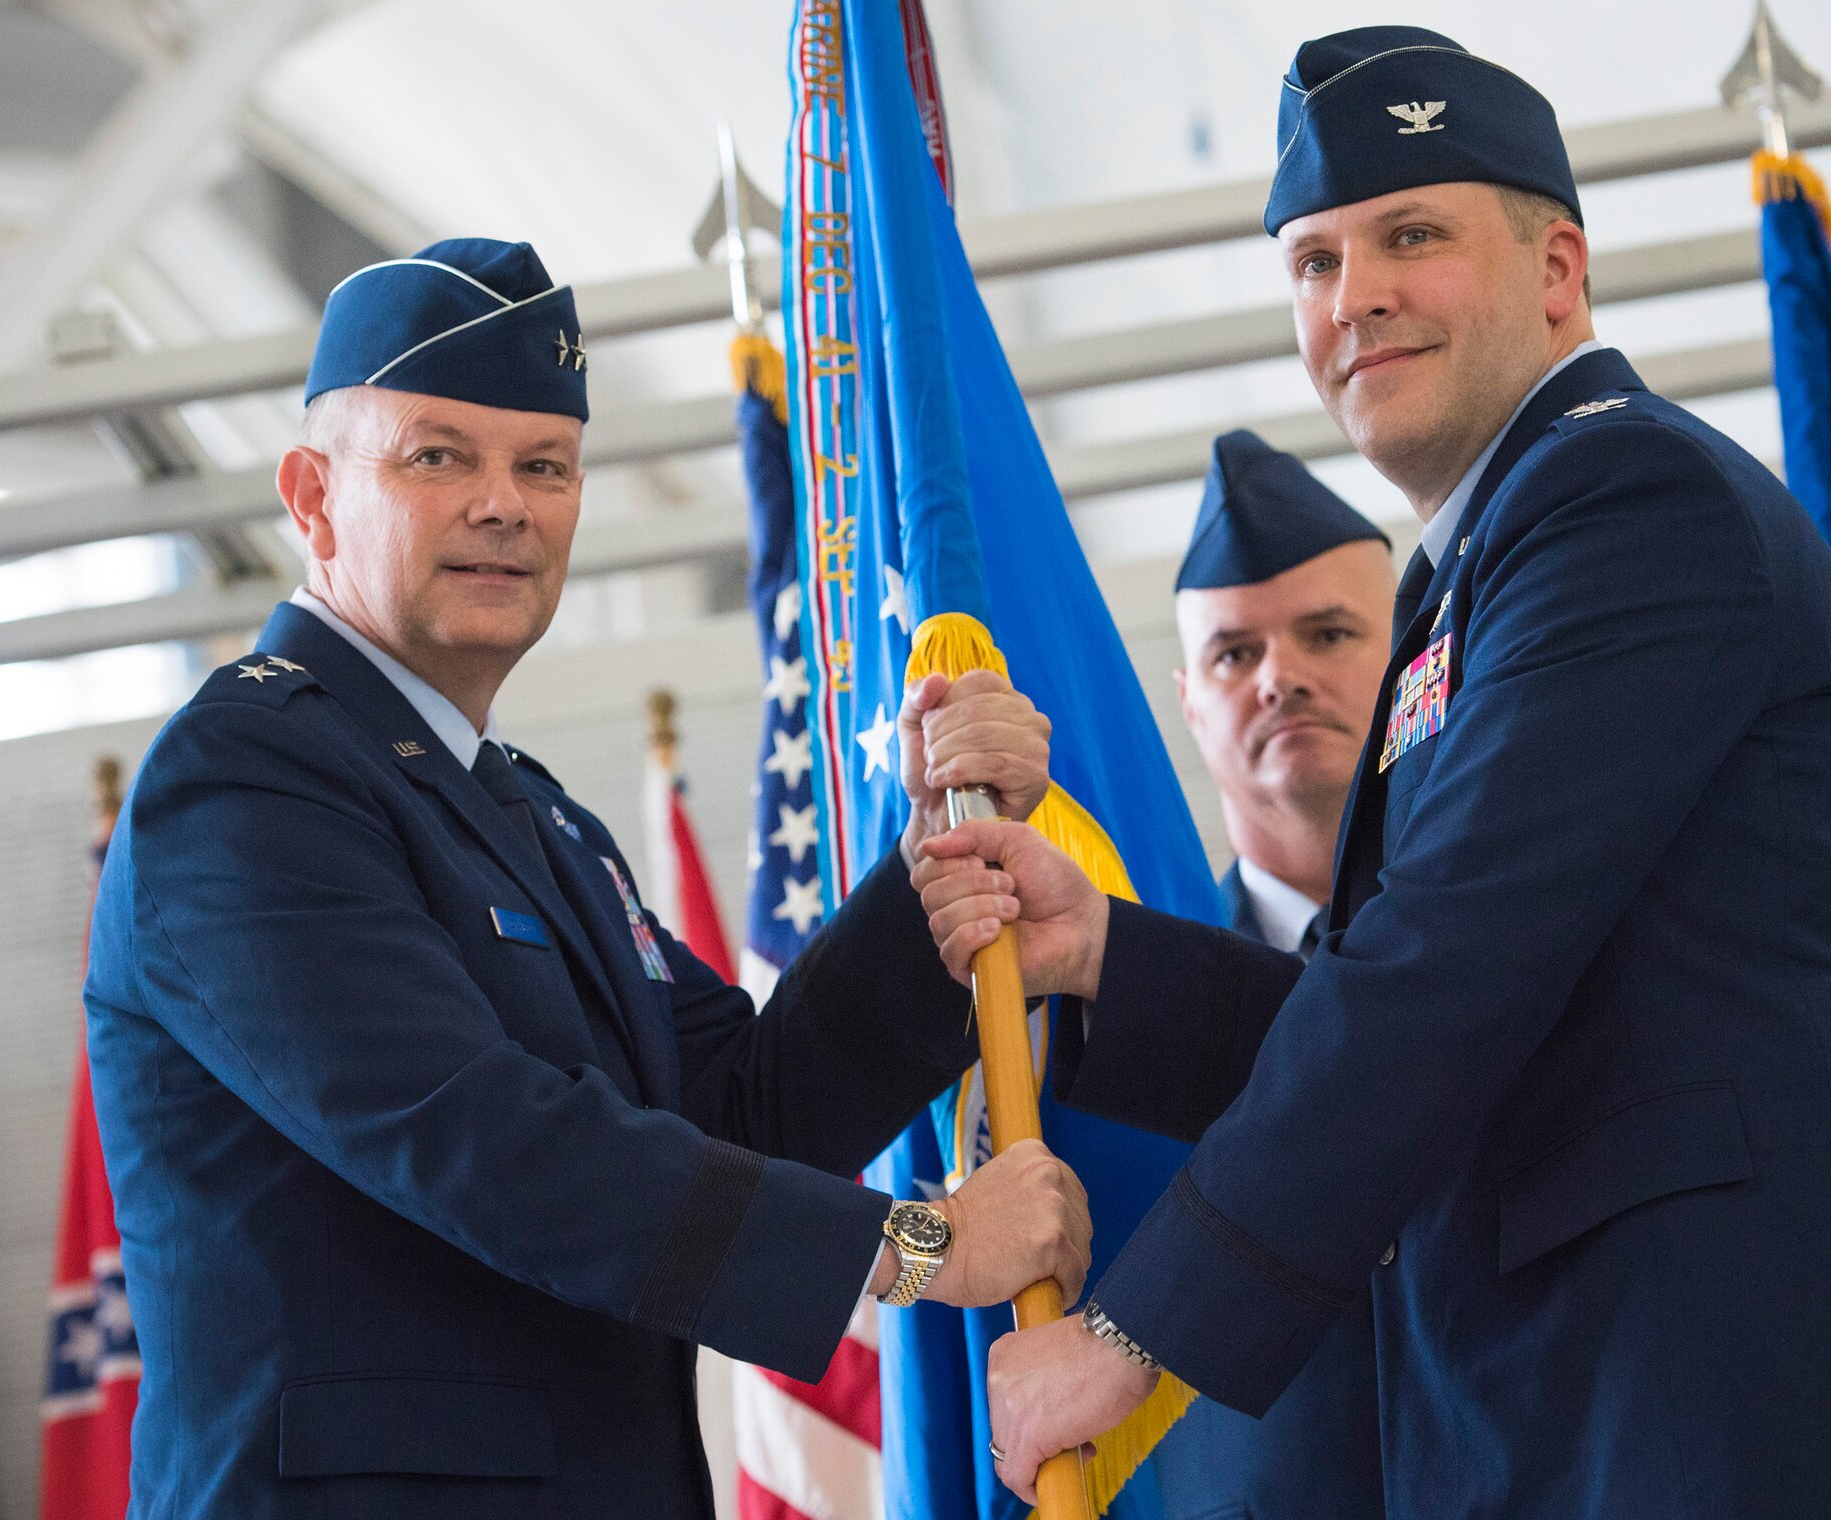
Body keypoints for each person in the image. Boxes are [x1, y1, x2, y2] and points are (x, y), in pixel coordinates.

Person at [917, 28, 1831, 1519]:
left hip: (1704, 1401)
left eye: (1411, 237)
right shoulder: (1482, 568)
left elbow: (1448, 963)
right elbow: (1439, 997)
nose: (1357, 297)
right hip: (1582, 1407)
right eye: (1315, 263)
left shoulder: (1625, 498)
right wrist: (1105, 957)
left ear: (1558, 271)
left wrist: (1133, 1336)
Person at [83, 238, 1091, 1520]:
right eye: (438, 454)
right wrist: (916, 1247)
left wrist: (930, 885)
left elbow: (739, 1106)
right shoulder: (241, 780)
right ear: (312, 494)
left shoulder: (532, 813)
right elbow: (476, 1136)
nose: (505, 502)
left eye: (544, 464)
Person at [1150, 430, 1392, 1519]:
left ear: (1416, 651)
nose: (1278, 676)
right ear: (1189, 700)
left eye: (1328, 632)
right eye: (1232, 654)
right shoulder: (1117, 1026)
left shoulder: (1553, 941)